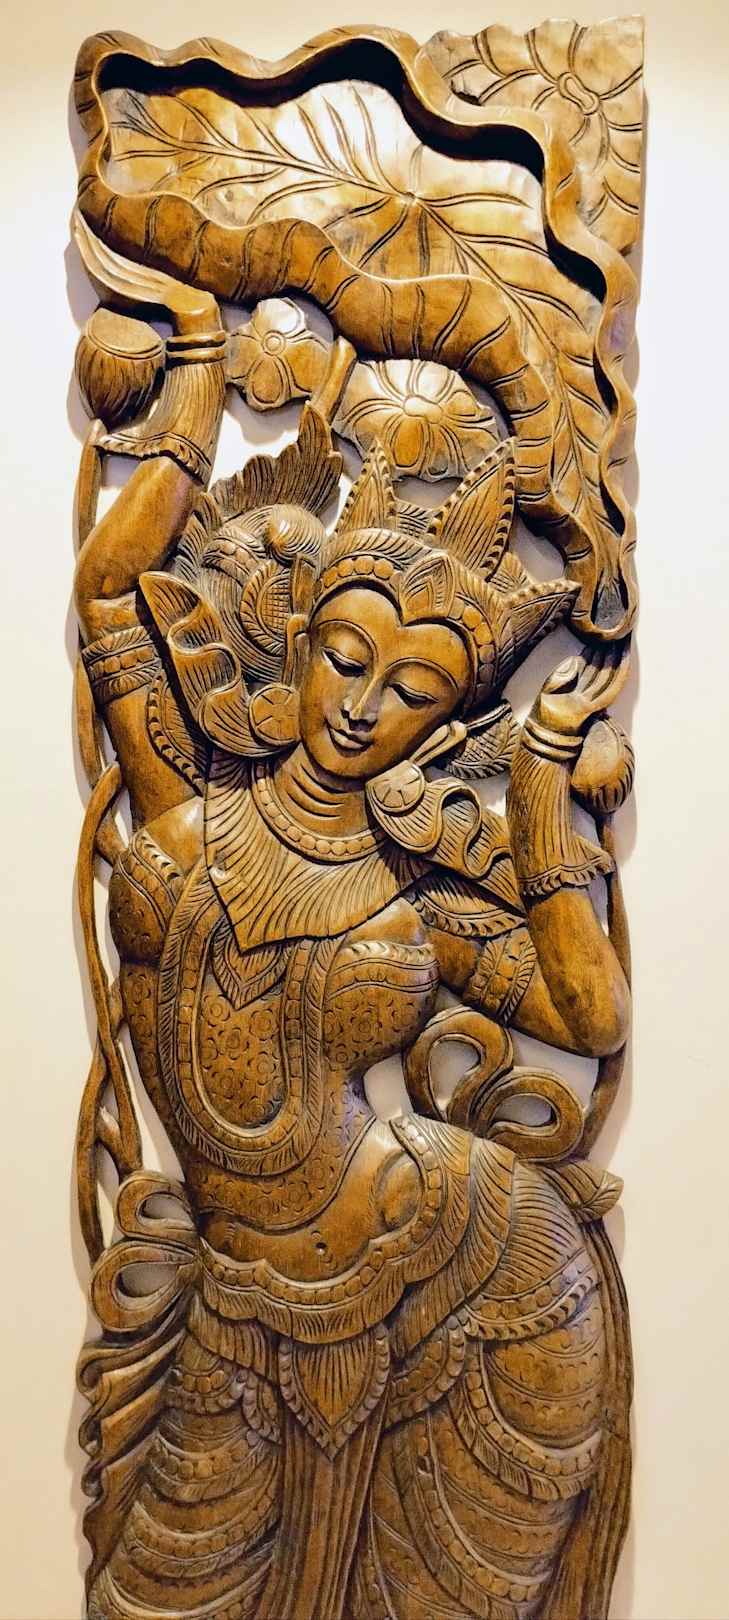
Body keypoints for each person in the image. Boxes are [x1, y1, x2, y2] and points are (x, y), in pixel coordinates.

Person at [76, 297, 631, 1620]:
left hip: (459, 1266)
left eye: (415, 692)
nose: (364, 704)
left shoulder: (417, 901)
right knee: (154, 1592)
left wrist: (542, 790)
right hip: (241, 1286)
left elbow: (589, 1015)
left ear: (440, 726)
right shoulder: (182, 804)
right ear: (300, 641)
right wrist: (196, 380)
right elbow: (107, 595)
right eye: (346, 658)